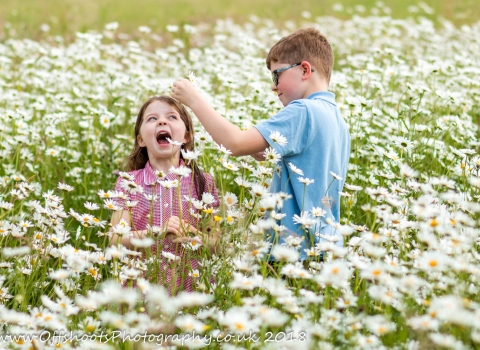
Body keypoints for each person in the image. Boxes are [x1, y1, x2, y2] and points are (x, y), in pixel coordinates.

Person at [171, 28, 350, 260]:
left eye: (277, 75)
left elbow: (233, 144)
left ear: (305, 70)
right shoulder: (337, 119)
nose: (273, 87)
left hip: (293, 251)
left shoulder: (302, 111)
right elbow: (309, 163)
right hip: (327, 247)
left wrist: (194, 100)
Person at [109, 95, 220, 293]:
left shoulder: (204, 182)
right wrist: (156, 232)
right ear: (141, 140)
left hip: (192, 292)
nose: (162, 121)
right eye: (152, 118)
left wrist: (192, 233)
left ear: (186, 137)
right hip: (141, 292)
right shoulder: (128, 182)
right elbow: (115, 239)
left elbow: (217, 246)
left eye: (172, 117)